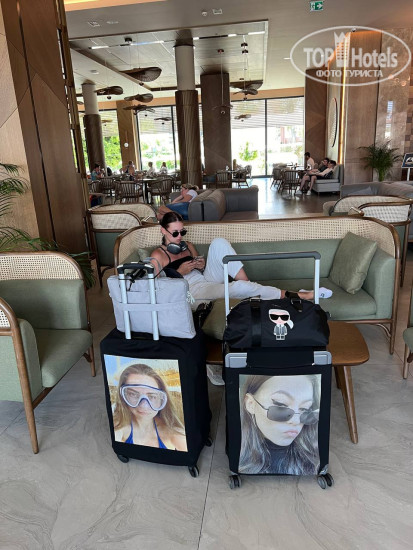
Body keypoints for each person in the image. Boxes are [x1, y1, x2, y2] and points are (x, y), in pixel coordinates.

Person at [149, 212, 332, 304]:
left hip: (204, 278)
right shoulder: (158, 255)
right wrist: (179, 272)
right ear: (163, 230)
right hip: (191, 290)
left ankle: (247, 286)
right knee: (241, 288)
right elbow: (154, 287)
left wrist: (201, 265)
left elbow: (201, 267)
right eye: (175, 233)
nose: (179, 236)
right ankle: (301, 295)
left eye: (182, 231)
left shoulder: (187, 245)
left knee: (219, 242)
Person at [239, 374, 321, 474]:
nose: (296, 421)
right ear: (250, 404)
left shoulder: (315, 460)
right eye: (281, 405)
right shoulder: (236, 454)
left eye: (305, 409)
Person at [113, 363, 187, 451]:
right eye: (133, 394)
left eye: (152, 396)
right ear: (122, 396)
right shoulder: (120, 426)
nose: (144, 405)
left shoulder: (172, 432)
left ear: (161, 399)